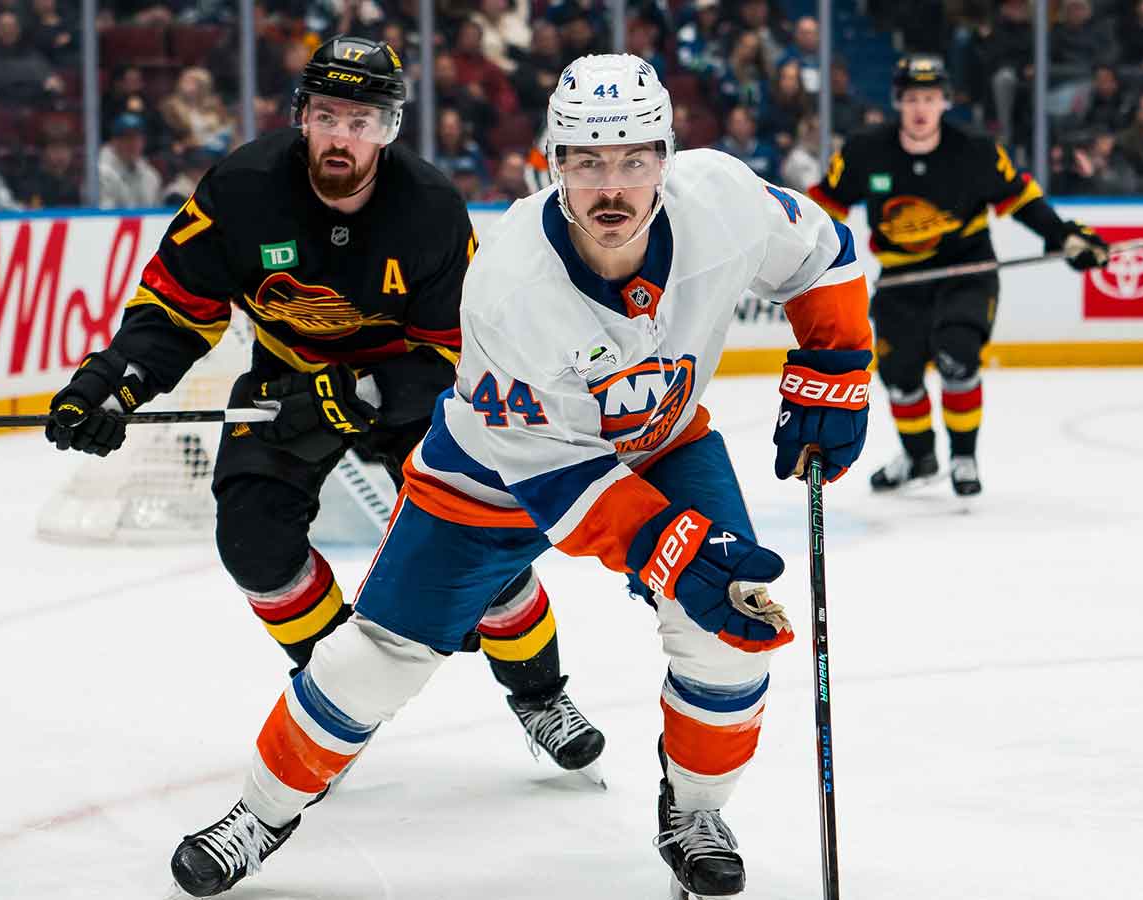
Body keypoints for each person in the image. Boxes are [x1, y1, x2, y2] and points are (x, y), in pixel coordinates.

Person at [165, 51, 872, 899]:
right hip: (495, 473)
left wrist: (835, 369)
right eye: (587, 163)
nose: (613, 188)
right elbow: (556, 481)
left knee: (730, 631)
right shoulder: (507, 283)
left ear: (667, 157)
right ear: (553, 163)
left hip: (662, 440)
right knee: (375, 658)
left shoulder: (722, 199)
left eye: (635, 161)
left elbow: (825, 252)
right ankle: (263, 811)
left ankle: (692, 811)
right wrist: (669, 548)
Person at [42, 34, 605, 798]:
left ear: (390, 130)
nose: (344, 136)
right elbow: (176, 308)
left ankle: (540, 695)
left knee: (481, 537)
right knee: (252, 540)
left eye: (364, 121)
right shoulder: (240, 190)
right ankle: (335, 694)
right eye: (329, 115)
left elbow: (465, 355)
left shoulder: (432, 210)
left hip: (410, 391)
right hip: (286, 379)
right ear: (302, 116)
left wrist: (368, 392)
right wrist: (117, 382)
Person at [807, 55, 1109, 497]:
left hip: (966, 273)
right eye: (912, 98)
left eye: (929, 98)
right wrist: (793, 254)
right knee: (899, 374)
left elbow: (1021, 199)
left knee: (957, 356)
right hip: (901, 281)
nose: (920, 108)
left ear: (945, 102)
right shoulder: (864, 151)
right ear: (898, 102)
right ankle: (918, 457)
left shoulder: (975, 151)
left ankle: (964, 457)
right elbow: (824, 208)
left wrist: (1063, 236)